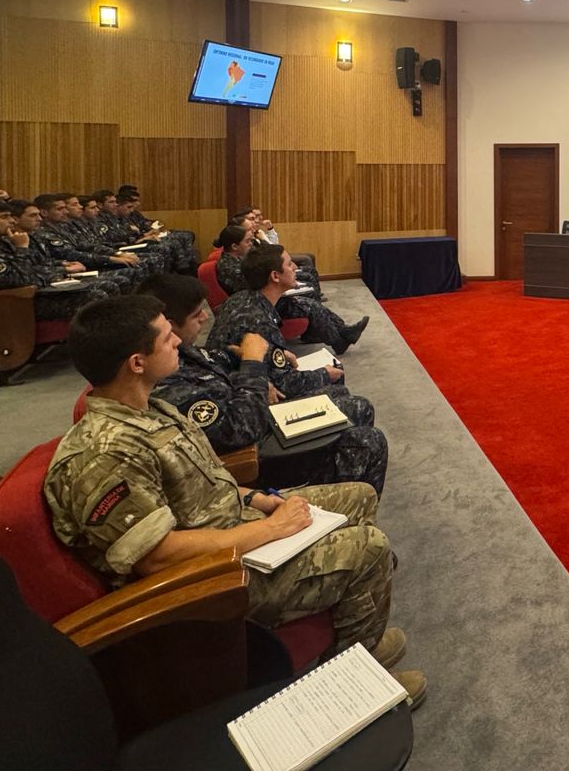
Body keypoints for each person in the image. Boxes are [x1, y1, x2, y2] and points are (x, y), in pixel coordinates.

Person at [42, 295, 423, 705]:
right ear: (137, 362)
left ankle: (357, 635)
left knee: (358, 496)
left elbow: (203, 483)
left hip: (230, 525)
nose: (178, 341)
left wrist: (257, 499)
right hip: (207, 579)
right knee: (369, 548)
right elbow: (157, 558)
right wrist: (272, 529)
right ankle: (357, 687)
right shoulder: (104, 454)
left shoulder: (149, 408)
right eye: (167, 337)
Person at [143, 274, 388, 494]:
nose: (206, 316)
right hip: (255, 455)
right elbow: (238, 431)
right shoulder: (166, 382)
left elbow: (219, 362)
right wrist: (254, 368)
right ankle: (343, 503)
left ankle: (347, 484)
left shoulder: (182, 353)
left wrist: (256, 370)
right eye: (197, 315)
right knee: (367, 433)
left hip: (256, 415)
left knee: (344, 397)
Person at [208, 246, 369, 384]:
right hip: (238, 391)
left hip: (232, 378)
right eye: (289, 264)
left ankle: (341, 335)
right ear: (275, 276)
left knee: (308, 304)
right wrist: (324, 374)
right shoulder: (260, 320)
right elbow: (284, 382)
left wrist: (279, 354)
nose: (295, 267)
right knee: (342, 383)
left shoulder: (241, 298)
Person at [0, 200, 120, 321]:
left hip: (37, 293)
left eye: (11, 216)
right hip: (15, 304)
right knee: (96, 295)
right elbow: (21, 281)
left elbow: (37, 266)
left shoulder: (4, 242)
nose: (12, 221)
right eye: (4, 217)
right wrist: (22, 248)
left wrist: (59, 270)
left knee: (107, 285)